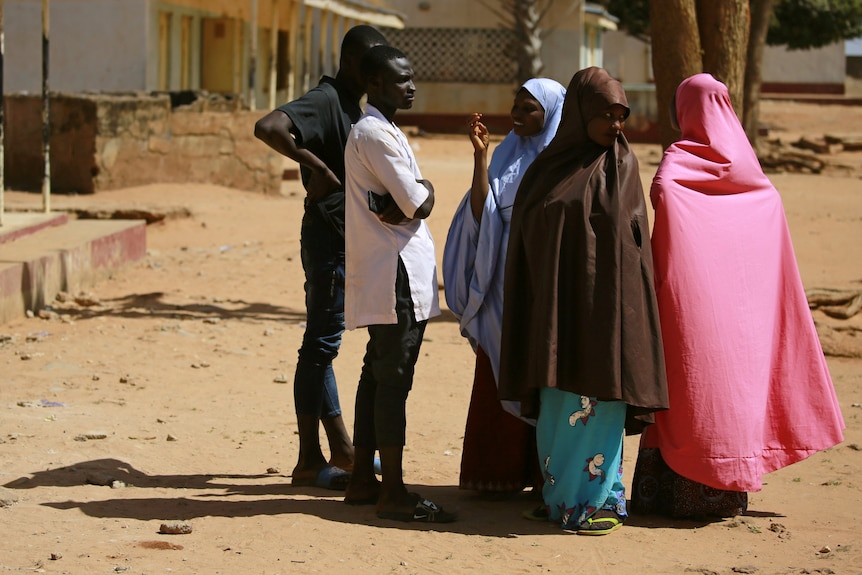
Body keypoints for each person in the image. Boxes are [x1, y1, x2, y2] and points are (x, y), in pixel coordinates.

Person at [630, 73, 846, 519]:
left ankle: (673, 493)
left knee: (694, 387)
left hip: (689, 305)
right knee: (725, 390)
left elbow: (665, 200)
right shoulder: (755, 175)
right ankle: (722, 490)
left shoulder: (678, 161)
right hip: (744, 313)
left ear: (682, 111)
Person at [497, 67, 669, 535]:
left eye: (621, 115)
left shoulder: (622, 164)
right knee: (559, 406)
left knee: (599, 399)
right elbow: (531, 235)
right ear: (579, 114)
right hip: (557, 307)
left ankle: (595, 504)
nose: (616, 125)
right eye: (605, 115)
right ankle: (558, 499)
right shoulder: (547, 167)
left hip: (605, 310)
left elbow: (629, 238)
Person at [253, 25, 388, 490]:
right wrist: (316, 167)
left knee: (324, 345)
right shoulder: (327, 99)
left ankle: (343, 449)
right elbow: (268, 126)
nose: (378, 73)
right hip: (328, 239)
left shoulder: (355, 107)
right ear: (350, 62)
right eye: (371, 63)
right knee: (319, 346)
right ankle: (309, 459)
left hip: (345, 238)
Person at [342, 45, 456, 523]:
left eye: (412, 77)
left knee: (376, 374)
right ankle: (392, 491)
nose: (411, 86)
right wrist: (425, 190)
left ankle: (364, 481)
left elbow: (407, 200)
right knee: (393, 381)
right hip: (397, 278)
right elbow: (415, 203)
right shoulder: (375, 134)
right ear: (375, 83)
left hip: (392, 273)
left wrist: (417, 193)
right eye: (401, 80)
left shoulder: (381, 130)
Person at [442, 78, 566, 494]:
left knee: (541, 375)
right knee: (497, 371)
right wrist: (482, 159)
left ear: (551, 113)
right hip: (500, 283)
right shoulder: (507, 156)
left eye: (529, 109)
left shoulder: (562, 160)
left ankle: (541, 474)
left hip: (542, 285)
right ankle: (496, 474)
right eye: (516, 106)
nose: (517, 114)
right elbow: (481, 214)